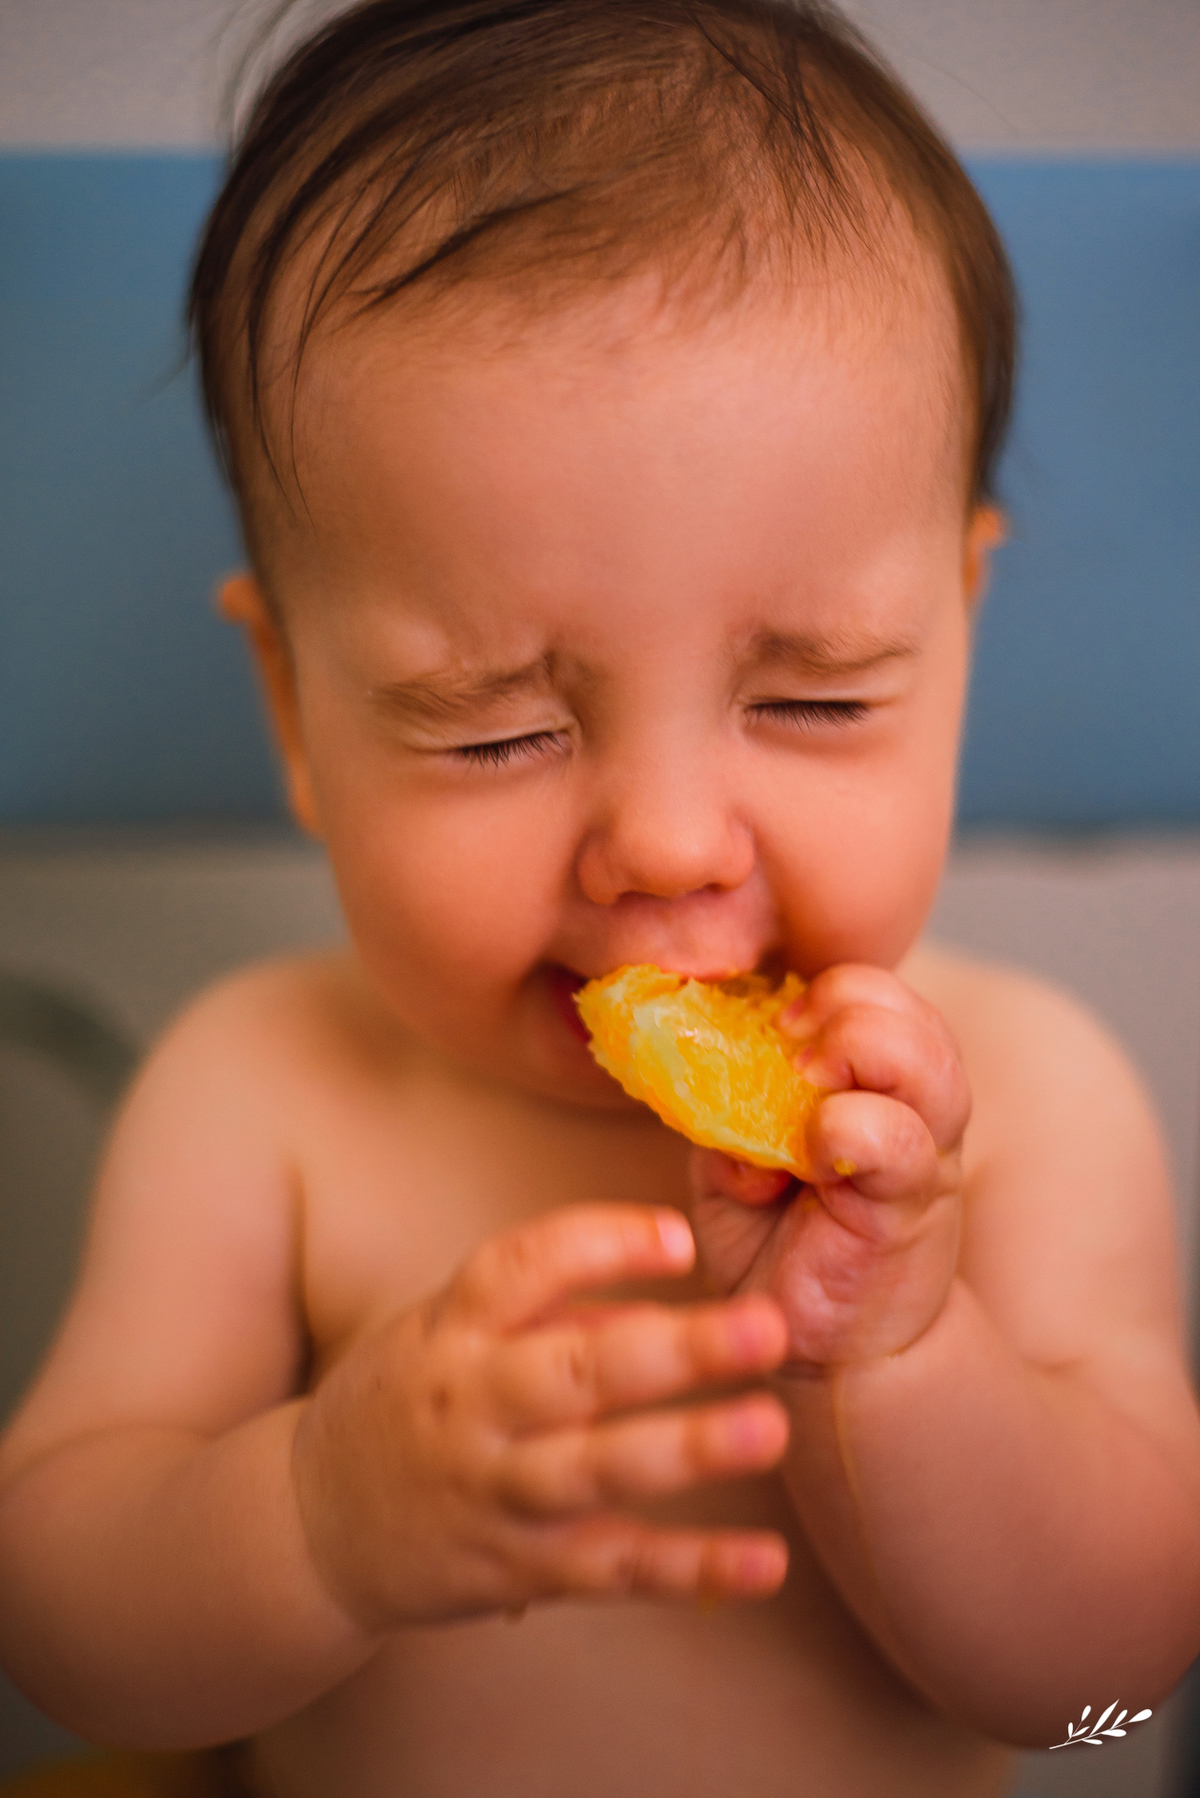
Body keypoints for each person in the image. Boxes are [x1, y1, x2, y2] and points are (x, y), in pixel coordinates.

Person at [1, 3, 1198, 1795]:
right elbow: (60, 1627)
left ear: (959, 632)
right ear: (298, 714)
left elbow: (1100, 1683)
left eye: (814, 699)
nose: (667, 842)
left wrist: (897, 1354)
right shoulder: (266, 1094)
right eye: (498, 729)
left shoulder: (1030, 1105)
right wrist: (319, 1519)